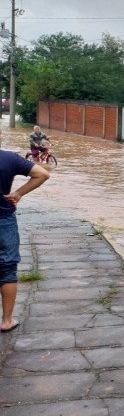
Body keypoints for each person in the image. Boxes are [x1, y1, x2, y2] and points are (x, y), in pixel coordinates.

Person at [0, 130, 50, 333]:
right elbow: (43, 174)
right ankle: (6, 321)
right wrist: (18, 193)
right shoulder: (9, 158)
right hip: (3, 219)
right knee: (7, 268)